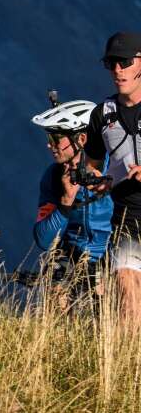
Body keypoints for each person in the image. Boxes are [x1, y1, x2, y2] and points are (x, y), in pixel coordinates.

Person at [84, 31, 141, 322]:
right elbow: (92, 163)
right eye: (111, 64)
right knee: (126, 289)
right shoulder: (102, 114)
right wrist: (98, 178)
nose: (118, 70)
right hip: (126, 216)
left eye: (125, 62)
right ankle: (129, 362)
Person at [32, 97, 111, 303]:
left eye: (55, 139)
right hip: (71, 255)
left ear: (82, 139)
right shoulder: (52, 177)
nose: (50, 146)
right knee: (56, 284)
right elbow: (43, 240)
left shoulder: (115, 168)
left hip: (112, 255)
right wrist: (66, 199)